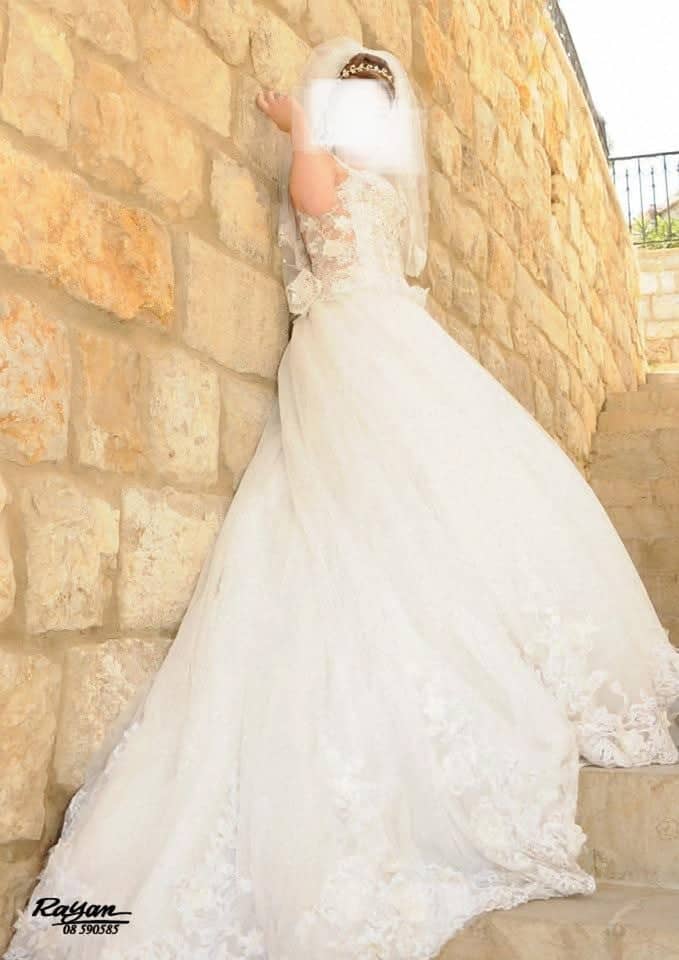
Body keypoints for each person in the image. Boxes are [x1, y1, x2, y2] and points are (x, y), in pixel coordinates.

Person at [5, 36, 679, 960]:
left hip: (357, 345)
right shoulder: (384, 187)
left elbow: (313, 206)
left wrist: (299, 128)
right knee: (398, 505)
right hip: (382, 339)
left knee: (376, 503)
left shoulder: (339, 170)